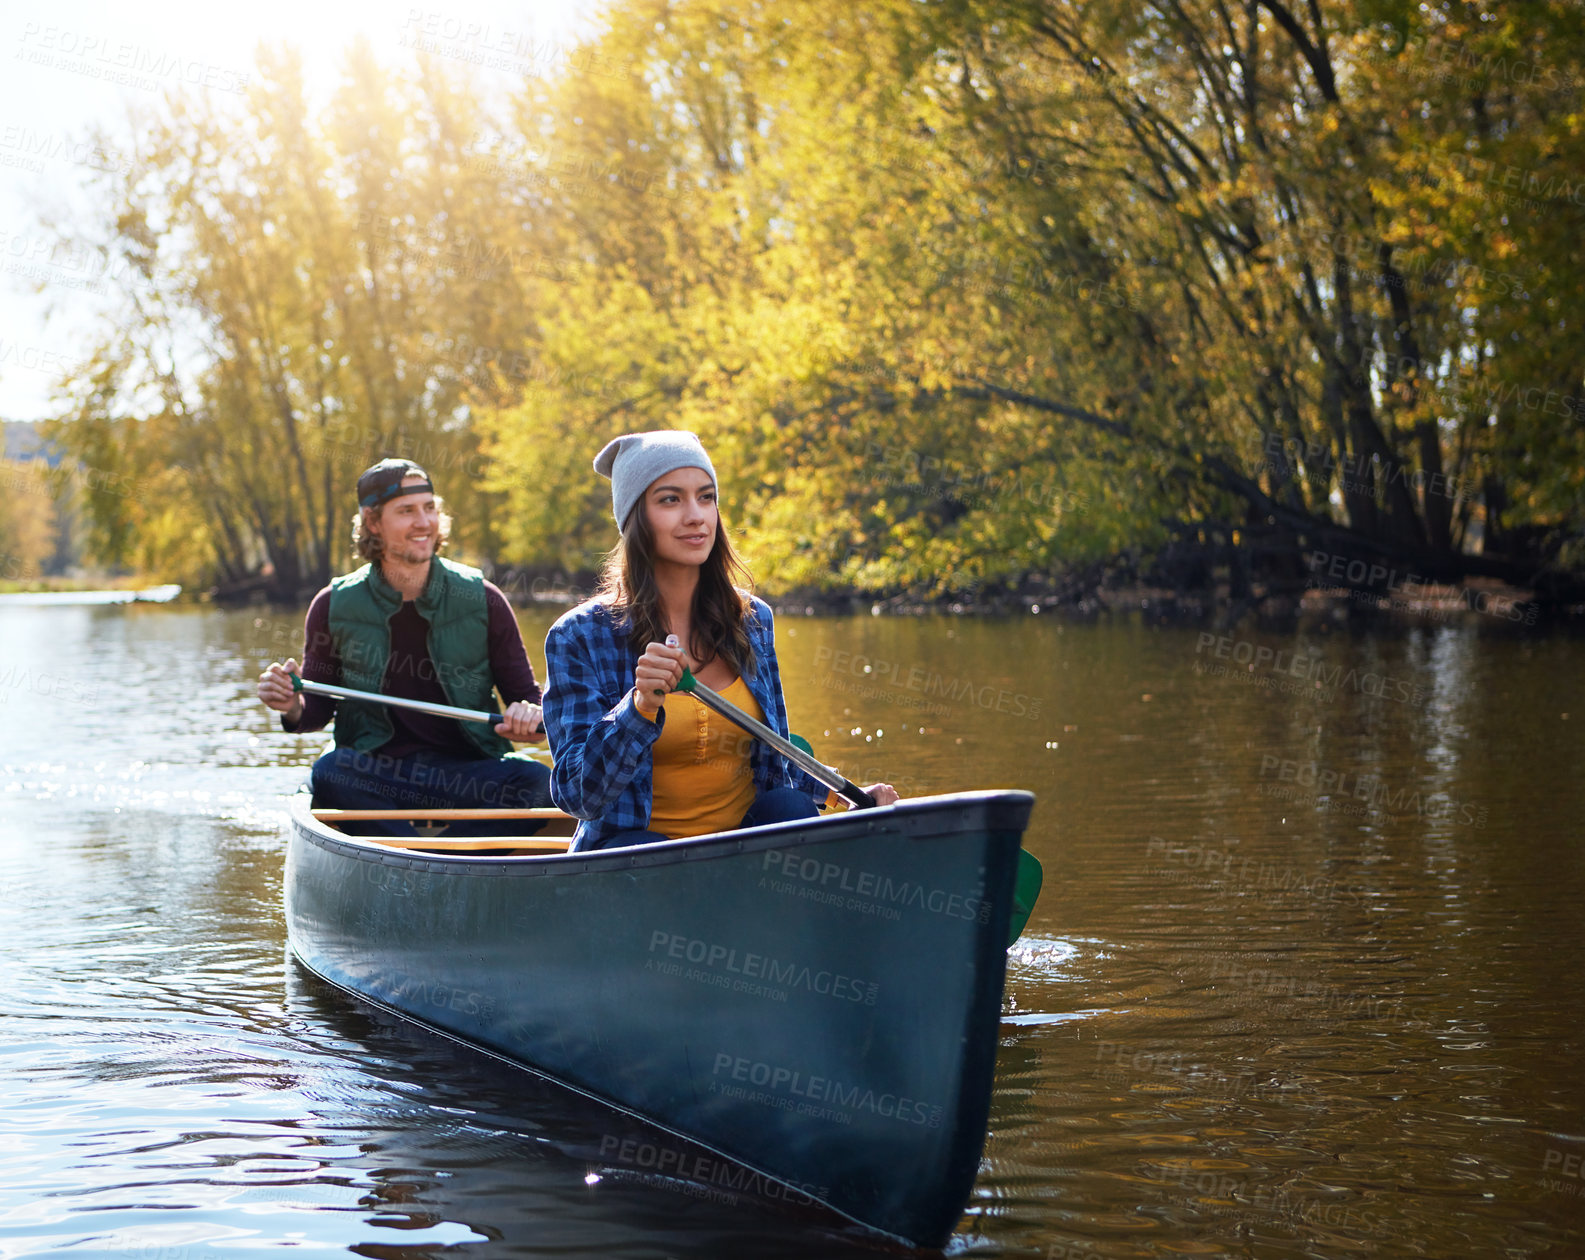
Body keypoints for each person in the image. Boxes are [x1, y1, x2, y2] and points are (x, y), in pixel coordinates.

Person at [543, 430, 897, 852]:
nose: (696, 516)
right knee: (638, 847)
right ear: (636, 518)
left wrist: (849, 796)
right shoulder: (578, 636)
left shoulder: (751, 620)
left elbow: (775, 753)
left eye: (706, 497)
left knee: (788, 806)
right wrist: (638, 708)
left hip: (738, 852)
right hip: (639, 858)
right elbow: (576, 794)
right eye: (670, 500)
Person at [258, 457, 552, 836]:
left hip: (468, 773)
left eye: (430, 508)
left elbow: (527, 700)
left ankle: (428, 862)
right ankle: (420, 858)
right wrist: (290, 706)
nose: (424, 522)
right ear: (372, 522)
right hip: (374, 775)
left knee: (540, 782)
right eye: (407, 511)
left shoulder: (484, 598)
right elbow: (315, 711)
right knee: (330, 772)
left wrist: (531, 720)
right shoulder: (332, 604)